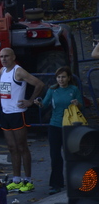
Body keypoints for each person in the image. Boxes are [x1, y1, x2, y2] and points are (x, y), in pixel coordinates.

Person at [0, 47, 44, 194]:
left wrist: (30, 101)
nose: (4, 59)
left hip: (18, 113)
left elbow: (39, 84)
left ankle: (28, 180)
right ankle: (16, 179)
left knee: (22, 147)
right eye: (1, 56)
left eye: (6, 56)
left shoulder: (18, 71)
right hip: (5, 113)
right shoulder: (1, 71)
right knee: (12, 148)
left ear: (13, 57)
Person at [38, 66, 84, 195]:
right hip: (55, 125)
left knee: (73, 155)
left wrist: (77, 104)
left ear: (69, 78)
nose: (61, 79)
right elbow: (45, 104)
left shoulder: (73, 89)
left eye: (63, 77)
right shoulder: (52, 90)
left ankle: (76, 182)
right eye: (58, 77)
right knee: (55, 156)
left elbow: (82, 106)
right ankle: (56, 184)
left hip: (70, 126)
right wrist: (39, 103)